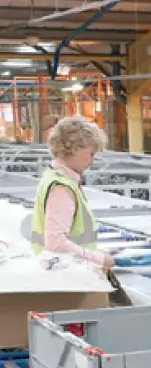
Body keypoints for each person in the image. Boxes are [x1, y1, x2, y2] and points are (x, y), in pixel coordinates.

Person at [29, 115, 115, 269]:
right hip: (66, 278)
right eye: (91, 154)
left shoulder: (54, 177)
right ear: (76, 149)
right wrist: (99, 259)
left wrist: (98, 251)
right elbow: (56, 243)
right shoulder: (62, 187)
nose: (92, 161)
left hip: (60, 272)